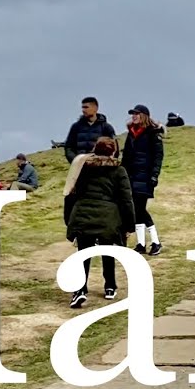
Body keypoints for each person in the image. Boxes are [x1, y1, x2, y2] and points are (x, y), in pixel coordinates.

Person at [63, 137, 136, 308]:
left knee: (83, 253)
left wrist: (69, 220)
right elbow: (126, 200)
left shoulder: (83, 168)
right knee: (107, 250)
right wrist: (129, 225)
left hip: (83, 214)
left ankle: (80, 290)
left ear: (96, 149)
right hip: (108, 217)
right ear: (113, 151)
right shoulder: (119, 171)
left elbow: (71, 193)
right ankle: (110, 287)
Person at [122, 104, 165, 256]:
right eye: (132, 114)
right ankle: (141, 244)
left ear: (144, 116)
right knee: (136, 210)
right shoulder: (131, 133)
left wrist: (154, 175)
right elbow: (126, 155)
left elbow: (158, 156)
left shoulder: (153, 133)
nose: (133, 116)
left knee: (140, 209)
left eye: (137, 114)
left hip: (145, 177)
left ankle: (156, 242)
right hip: (131, 177)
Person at [64, 97, 116, 164]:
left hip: (99, 167)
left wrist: (103, 162)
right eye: (82, 107)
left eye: (86, 107)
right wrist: (75, 161)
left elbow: (113, 147)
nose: (83, 110)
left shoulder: (106, 127)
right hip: (80, 166)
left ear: (95, 108)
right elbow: (69, 147)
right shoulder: (76, 127)